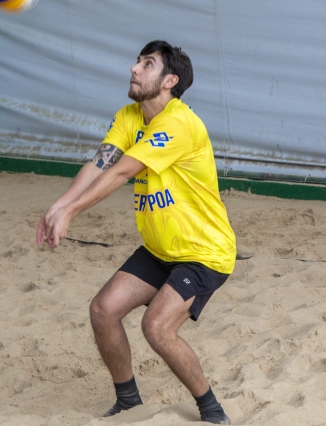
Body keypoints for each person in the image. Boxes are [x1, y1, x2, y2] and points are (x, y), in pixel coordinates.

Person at [37, 40, 236, 424]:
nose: (134, 68)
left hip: (204, 253)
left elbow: (123, 171)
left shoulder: (178, 123)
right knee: (103, 310)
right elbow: (100, 164)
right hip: (160, 249)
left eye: (147, 64)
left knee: (156, 327)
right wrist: (59, 207)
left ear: (169, 81)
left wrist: (71, 213)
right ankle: (128, 402)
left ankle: (212, 410)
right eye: (138, 61)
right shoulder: (129, 116)